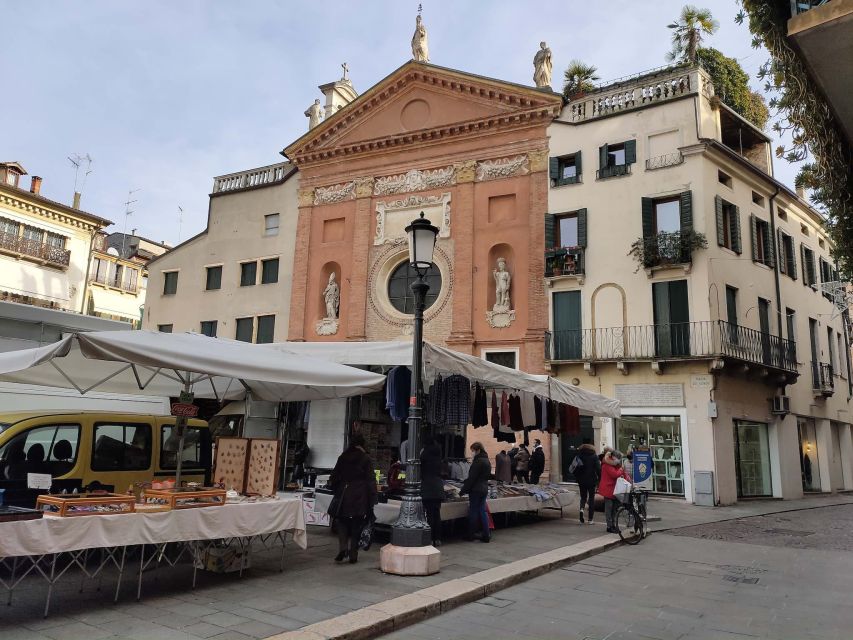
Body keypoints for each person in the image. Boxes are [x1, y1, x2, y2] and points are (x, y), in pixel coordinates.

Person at [328, 434, 376, 564]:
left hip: (344, 493)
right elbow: (371, 480)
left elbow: (334, 476)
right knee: (357, 523)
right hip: (360, 495)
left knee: (342, 521)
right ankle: (353, 553)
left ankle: (343, 547)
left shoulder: (343, 457)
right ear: (362, 444)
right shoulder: (366, 459)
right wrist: (373, 499)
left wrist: (337, 488)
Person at [460, 442, 492, 543]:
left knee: (473, 511)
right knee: (482, 511)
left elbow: (472, 478)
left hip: (476, 490)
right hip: (484, 488)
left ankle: (471, 534)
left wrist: (463, 490)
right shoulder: (487, 460)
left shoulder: (478, 462)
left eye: (473, 450)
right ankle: (486, 534)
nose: (472, 453)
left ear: (477, 450)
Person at [598, 450, 631, 534]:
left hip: (615, 489)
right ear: (613, 457)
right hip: (608, 488)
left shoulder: (615, 464)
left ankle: (613, 524)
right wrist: (620, 470)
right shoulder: (606, 464)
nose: (619, 460)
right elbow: (615, 474)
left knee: (614, 509)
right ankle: (609, 526)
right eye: (618, 458)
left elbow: (622, 472)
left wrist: (626, 477)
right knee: (609, 509)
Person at [420, 436, 444, 547]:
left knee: (429, 515)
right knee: (436, 514)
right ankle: (438, 538)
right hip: (438, 487)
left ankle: (429, 539)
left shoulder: (424, 455)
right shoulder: (438, 455)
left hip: (428, 487)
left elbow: (420, 471)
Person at [572, 443, 601, 524]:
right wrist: (599, 479)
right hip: (591, 480)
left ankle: (581, 509)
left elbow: (574, 467)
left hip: (581, 480)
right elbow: (598, 469)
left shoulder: (579, 456)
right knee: (591, 499)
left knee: (583, 497)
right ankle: (590, 519)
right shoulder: (594, 456)